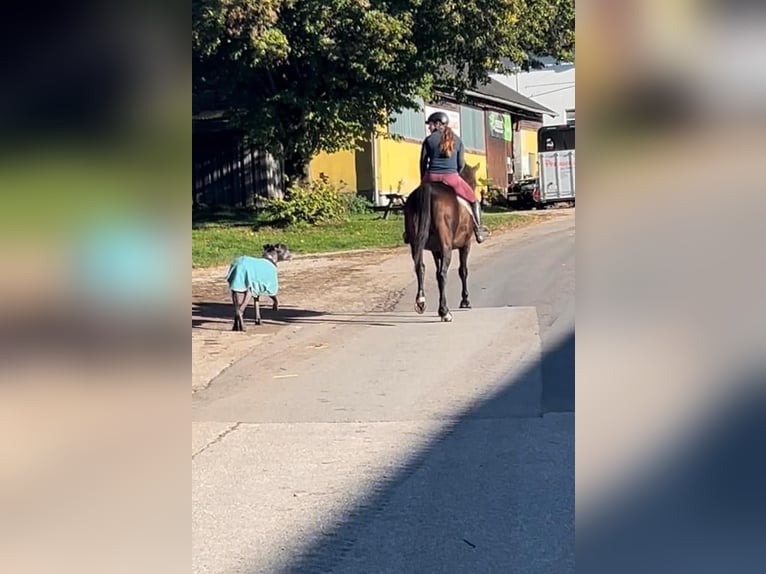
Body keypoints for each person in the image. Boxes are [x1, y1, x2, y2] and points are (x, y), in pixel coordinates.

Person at [420, 111, 488, 243]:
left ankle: (409, 232)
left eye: (430, 124)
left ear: (438, 124)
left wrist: (423, 179)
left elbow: (423, 162)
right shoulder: (457, 140)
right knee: (474, 200)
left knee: (415, 201)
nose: (429, 127)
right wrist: (454, 173)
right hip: (451, 178)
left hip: (431, 178)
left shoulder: (428, 140)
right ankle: (479, 230)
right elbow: (461, 164)